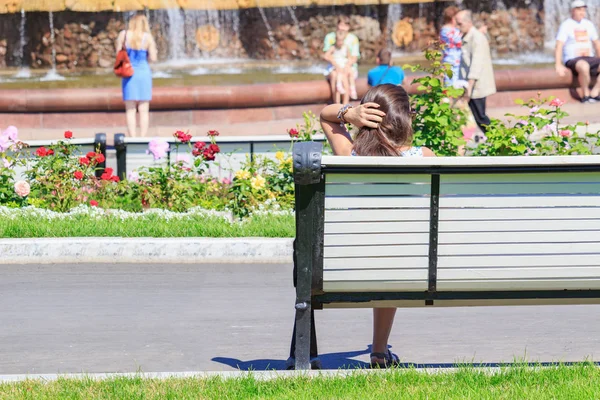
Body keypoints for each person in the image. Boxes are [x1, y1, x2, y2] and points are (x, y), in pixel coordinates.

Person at [319, 84, 435, 368]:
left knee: (383, 253)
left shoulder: (350, 155)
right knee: (392, 253)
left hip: (346, 265)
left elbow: (325, 115)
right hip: (410, 265)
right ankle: (379, 352)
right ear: (406, 118)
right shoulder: (425, 157)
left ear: (365, 117)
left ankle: (379, 351)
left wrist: (348, 113)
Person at [115, 13, 158, 137]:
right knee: (144, 109)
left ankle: (132, 137)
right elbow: (153, 58)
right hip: (144, 73)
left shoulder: (123, 35)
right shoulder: (147, 37)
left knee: (130, 109)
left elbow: (118, 54)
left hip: (129, 74)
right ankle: (143, 137)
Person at [456, 10, 496, 134]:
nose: (458, 26)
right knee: (475, 116)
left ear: (469, 22)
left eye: (460, 24)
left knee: (481, 117)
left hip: (476, 87)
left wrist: (469, 87)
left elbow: (476, 65)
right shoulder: (467, 36)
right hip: (468, 85)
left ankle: (500, 141)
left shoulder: (477, 38)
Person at [555, 0, 600, 103]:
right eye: (579, 10)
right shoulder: (566, 25)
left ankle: (595, 92)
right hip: (573, 59)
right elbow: (559, 45)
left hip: (590, 57)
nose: (582, 13)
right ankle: (585, 95)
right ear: (573, 11)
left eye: (583, 10)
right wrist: (558, 64)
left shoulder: (589, 24)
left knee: (588, 64)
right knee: (584, 66)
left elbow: (597, 44)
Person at [323, 16, 360, 103]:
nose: (343, 28)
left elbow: (354, 57)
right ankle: (336, 103)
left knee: (344, 76)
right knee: (334, 75)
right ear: (337, 25)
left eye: (345, 25)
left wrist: (346, 66)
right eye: (341, 25)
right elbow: (327, 55)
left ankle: (345, 105)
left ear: (349, 27)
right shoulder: (330, 37)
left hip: (347, 67)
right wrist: (336, 65)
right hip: (334, 66)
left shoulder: (353, 39)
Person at [323, 32, 353, 101]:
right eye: (338, 40)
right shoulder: (333, 47)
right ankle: (336, 103)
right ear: (335, 40)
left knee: (344, 80)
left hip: (342, 68)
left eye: (342, 40)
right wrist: (333, 62)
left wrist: (347, 65)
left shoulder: (346, 47)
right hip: (335, 68)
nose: (340, 42)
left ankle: (346, 103)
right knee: (335, 79)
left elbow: (350, 58)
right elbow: (325, 56)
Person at [439, 6, 462, 86]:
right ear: (453, 18)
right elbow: (460, 40)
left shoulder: (455, 29)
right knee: (450, 88)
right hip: (450, 63)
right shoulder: (446, 30)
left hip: (458, 63)